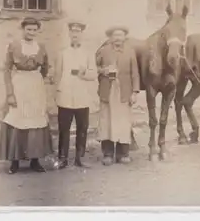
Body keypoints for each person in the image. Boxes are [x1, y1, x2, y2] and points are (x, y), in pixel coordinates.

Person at [0, 17, 53, 174]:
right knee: (17, 119)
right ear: (23, 29)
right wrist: (10, 93)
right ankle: (14, 162)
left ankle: (35, 161)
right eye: (28, 29)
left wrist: (39, 79)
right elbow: (7, 70)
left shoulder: (41, 47)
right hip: (19, 84)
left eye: (34, 30)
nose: (31, 32)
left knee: (35, 119)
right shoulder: (14, 46)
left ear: (37, 31)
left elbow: (45, 67)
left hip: (35, 85)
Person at [54, 20, 97, 169]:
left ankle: (80, 158)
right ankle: (62, 158)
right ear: (69, 34)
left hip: (82, 95)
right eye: (72, 31)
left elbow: (93, 74)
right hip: (65, 95)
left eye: (78, 32)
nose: (75, 34)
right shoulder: (62, 53)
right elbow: (57, 74)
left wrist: (83, 73)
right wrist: (57, 92)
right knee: (64, 128)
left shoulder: (88, 54)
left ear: (81, 34)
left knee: (82, 127)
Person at [96, 26, 139, 166]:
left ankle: (123, 154)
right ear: (111, 37)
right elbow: (93, 68)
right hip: (107, 90)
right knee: (106, 122)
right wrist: (103, 71)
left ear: (124, 37)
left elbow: (135, 73)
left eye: (120, 35)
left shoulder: (130, 52)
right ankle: (108, 154)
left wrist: (135, 92)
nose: (117, 38)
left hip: (124, 92)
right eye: (115, 35)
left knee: (123, 122)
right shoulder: (103, 51)